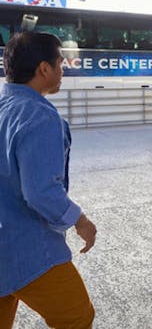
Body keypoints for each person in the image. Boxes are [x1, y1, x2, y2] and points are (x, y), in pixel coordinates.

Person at [0, 31, 97, 328]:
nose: (63, 70)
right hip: (28, 247)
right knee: (77, 317)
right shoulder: (40, 117)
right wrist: (80, 221)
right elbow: (41, 192)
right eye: (60, 63)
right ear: (44, 68)